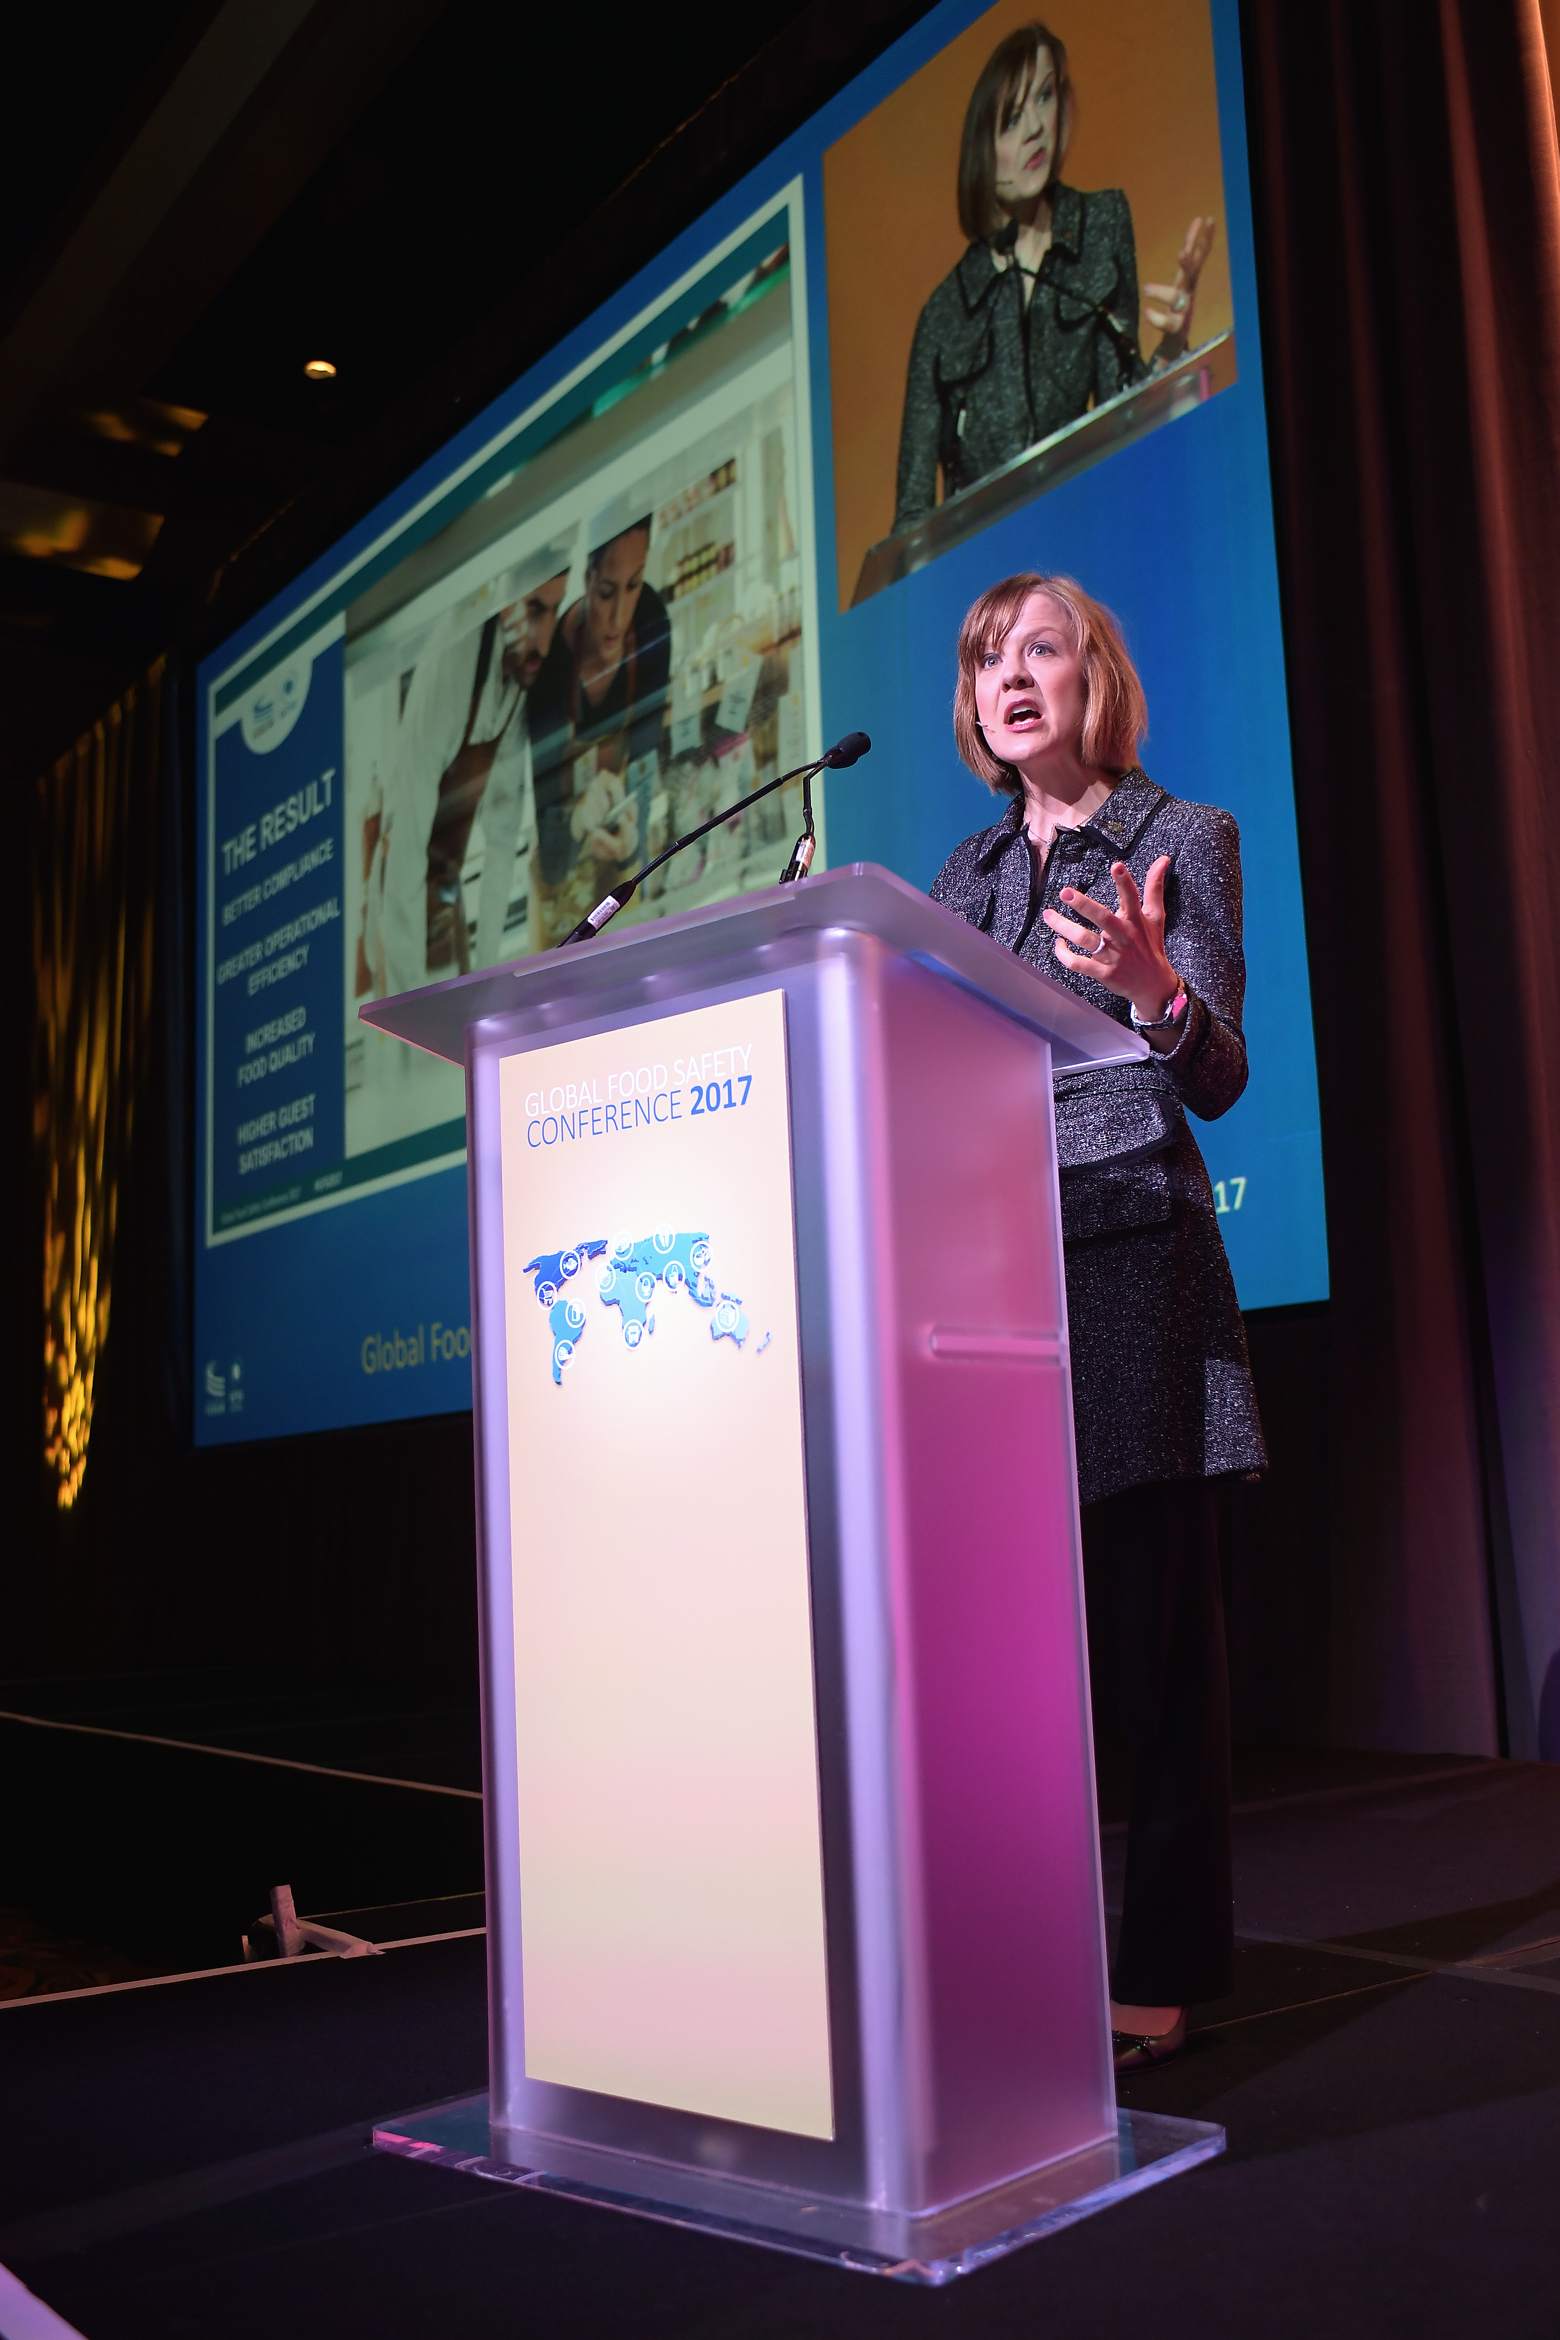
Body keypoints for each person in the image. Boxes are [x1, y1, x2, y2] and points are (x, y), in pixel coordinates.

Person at [929, 571, 1265, 2068]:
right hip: (989, 1287)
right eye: (987, 659)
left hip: (1133, 1271)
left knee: (1154, 1656)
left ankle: (1162, 1970)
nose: (1010, 677)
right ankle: (1023, 1948)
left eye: (1039, 650)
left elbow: (1222, 1075)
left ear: (1093, 677)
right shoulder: (962, 876)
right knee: (1011, 1664)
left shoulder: (1183, 836)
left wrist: (1155, 989)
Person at [893, 20, 1216, 531]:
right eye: (1011, 119)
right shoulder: (942, 315)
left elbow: (1120, 412)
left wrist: (1173, 346)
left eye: (1045, 97)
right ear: (981, 151)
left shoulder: (1101, 223)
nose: (1035, 128)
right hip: (991, 559)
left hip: (1088, 523)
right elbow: (911, 521)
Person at [364, 547, 571, 997]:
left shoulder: (517, 682)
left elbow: (502, 838)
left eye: (554, 611)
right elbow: (406, 850)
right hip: (396, 903)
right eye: (536, 610)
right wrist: (409, 999)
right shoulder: (455, 658)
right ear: (506, 602)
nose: (544, 642)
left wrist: (490, 977)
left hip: (444, 894)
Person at [524, 508, 673, 945]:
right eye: (607, 592)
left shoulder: (650, 622)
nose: (618, 617)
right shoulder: (550, 670)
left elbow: (645, 763)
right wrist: (575, 823)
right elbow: (552, 861)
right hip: (561, 892)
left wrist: (630, 847)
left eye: (633, 585)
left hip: (622, 874)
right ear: (587, 579)